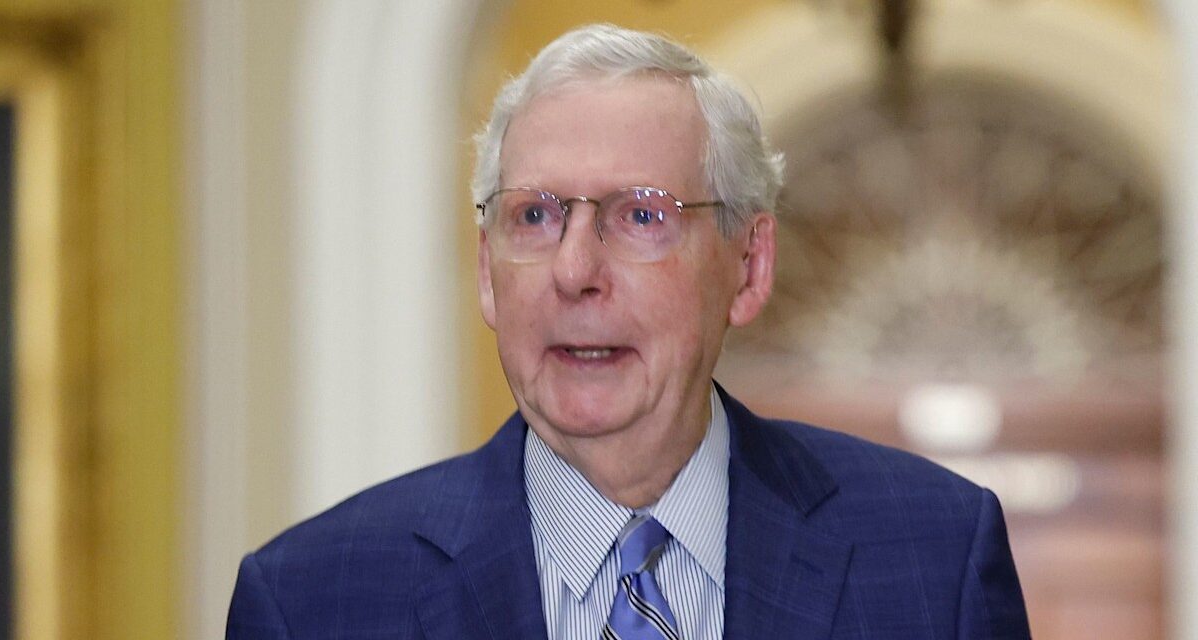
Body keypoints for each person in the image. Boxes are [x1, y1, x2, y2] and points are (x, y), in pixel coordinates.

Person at [227, 24, 1030, 639]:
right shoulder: (314, 601)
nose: (575, 268)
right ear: (485, 270)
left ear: (748, 266)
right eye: (534, 216)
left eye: (640, 215)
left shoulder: (932, 558)